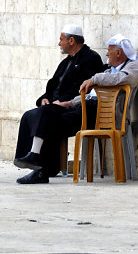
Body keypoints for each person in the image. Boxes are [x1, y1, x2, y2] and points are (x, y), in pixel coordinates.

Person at [15, 31, 138, 184]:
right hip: (85, 108)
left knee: (49, 117)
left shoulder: (134, 67)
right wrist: (69, 103)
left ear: (119, 52)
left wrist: (95, 78)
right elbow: (90, 94)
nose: (107, 54)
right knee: (47, 113)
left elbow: (122, 78)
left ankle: (39, 165)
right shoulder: (108, 70)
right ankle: (37, 164)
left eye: (109, 50)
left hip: (102, 114)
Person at [14, 23, 104, 184]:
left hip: (77, 111)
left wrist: (61, 102)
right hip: (56, 108)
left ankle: (40, 165)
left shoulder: (91, 58)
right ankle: (29, 161)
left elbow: (81, 89)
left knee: (46, 116)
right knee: (30, 115)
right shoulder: (65, 63)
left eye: (61, 39)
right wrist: (44, 99)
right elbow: (53, 86)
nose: (59, 43)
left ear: (71, 41)